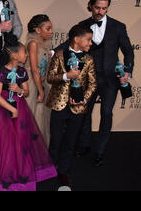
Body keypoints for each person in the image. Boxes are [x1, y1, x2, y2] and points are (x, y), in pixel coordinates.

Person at [56, 0, 135, 167]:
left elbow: (128, 51)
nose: (100, 11)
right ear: (91, 5)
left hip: (110, 80)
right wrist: (54, 52)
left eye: (104, 8)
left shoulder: (118, 27)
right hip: (87, 78)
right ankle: (84, 145)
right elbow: (69, 44)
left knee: (106, 113)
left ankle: (100, 151)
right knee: (84, 113)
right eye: (98, 7)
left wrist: (127, 70)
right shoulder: (83, 25)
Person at [0, 41, 57, 191]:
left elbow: (27, 92)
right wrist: (11, 108)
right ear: (15, 55)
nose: (27, 55)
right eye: (24, 52)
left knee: (20, 141)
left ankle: (19, 172)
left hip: (19, 107)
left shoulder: (22, 72)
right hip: (1, 109)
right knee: (2, 141)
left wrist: (19, 90)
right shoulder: (0, 72)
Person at [47, 25, 97, 189]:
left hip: (78, 107)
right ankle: (49, 169)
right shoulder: (59, 55)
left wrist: (83, 99)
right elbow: (50, 77)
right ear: (76, 39)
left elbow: (93, 84)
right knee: (55, 140)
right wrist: (65, 76)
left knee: (70, 141)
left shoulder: (88, 59)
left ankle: (63, 171)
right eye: (88, 39)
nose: (91, 42)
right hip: (59, 104)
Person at [25, 14, 53, 146]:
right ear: (38, 30)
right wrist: (40, 91)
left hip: (41, 82)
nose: (51, 32)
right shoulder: (33, 43)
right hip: (32, 84)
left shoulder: (45, 44)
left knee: (41, 119)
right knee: (32, 117)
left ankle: (38, 152)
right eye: (48, 28)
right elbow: (34, 69)